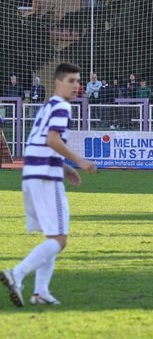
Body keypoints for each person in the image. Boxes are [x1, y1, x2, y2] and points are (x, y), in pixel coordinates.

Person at [0, 62, 97, 308]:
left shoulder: (48, 106)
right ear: (58, 82)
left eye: (78, 81)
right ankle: (17, 274)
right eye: (71, 81)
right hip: (45, 177)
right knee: (60, 239)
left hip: (33, 173)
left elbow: (41, 141)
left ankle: (40, 292)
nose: (76, 86)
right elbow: (52, 139)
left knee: (52, 236)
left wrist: (65, 168)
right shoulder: (62, 107)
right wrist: (80, 161)